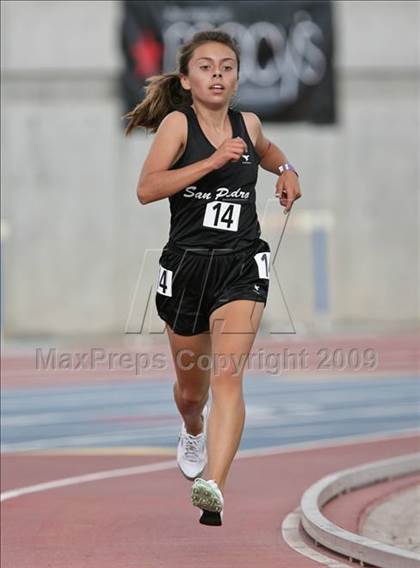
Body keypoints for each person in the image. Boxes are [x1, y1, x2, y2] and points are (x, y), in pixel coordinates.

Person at [124, 29, 301, 526]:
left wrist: (286, 169)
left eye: (226, 66)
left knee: (229, 376)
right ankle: (191, 427)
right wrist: (212, 162)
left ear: (238, 77)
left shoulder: (248, 123)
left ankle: (213, 485)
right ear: (186, 78)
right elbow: (147, 188)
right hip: (187, 266)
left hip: (241, 264)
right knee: (191, 391)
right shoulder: (178, 126)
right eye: (205, 66)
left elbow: (268, 151)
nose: (217, 74)